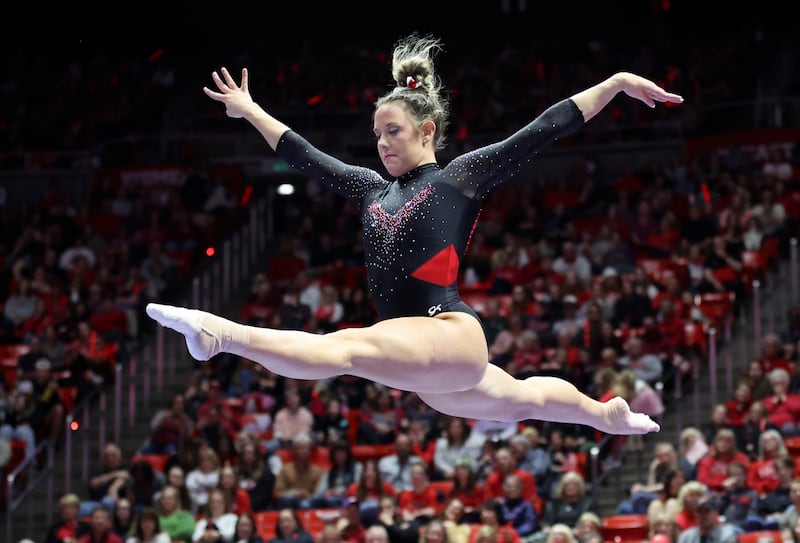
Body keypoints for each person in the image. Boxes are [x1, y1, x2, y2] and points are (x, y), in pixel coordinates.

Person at [146, 33, 681, 435]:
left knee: (347, 349)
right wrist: (249, 110)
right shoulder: (369, 189)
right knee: (523, 401)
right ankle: (603, 415)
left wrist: (613, 85)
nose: (381, 143)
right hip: (428, 372)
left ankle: (221, 336)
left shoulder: (459, 178)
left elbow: (543, 129)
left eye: (393, 131)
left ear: (427, 131)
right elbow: (302, 154)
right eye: (377, 133)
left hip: (448, 332)